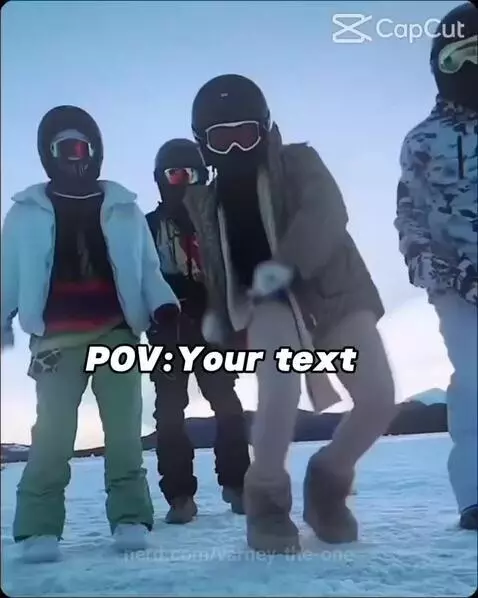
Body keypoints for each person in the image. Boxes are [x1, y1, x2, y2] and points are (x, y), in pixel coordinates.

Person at [183, 74, 396, 553]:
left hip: (333, 292)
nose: (236, 148)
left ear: (265, 130)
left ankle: (328, 479)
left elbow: (326, 212)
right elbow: (218, 266)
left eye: (246, 135)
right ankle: (266, 501)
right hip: (266, 305)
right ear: (204, 145)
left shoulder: (298, 163)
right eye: (222, 139)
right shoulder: (207, 201)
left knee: (379, 398)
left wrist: (289, 262)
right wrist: (218, 313)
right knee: (279, 392)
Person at [0, 105, 180, 563]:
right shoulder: (25, 212)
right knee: (52, 434)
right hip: (55, 341)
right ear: (48, 154)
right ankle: (39, 528)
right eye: (63, 149)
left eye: (82, 148)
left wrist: (163, 307)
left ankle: (130, 518)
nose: (73, 158)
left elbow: (147, 268)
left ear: (96, 152)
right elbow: (7, 273)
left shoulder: (123, 207)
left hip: (116, 334)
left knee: (124, 432)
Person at [395, 2, 477, 531]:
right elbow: (411, 215)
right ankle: (475, 494)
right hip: (457, 285)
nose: (471, 69)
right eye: (458, 57)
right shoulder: (423, 140)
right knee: (474, 381)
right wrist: (439, 272)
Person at [145, 139, 250, 523]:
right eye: (175, 175)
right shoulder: (147, 227)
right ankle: (179, 496)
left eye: (193, 175)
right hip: (167, 331)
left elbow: (236, 271)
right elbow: (135, 275)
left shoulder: (218, 223)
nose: (185, 183)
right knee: (169, 412)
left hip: (213, 327)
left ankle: (238, 484)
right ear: (161, 180)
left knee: (228, 404)